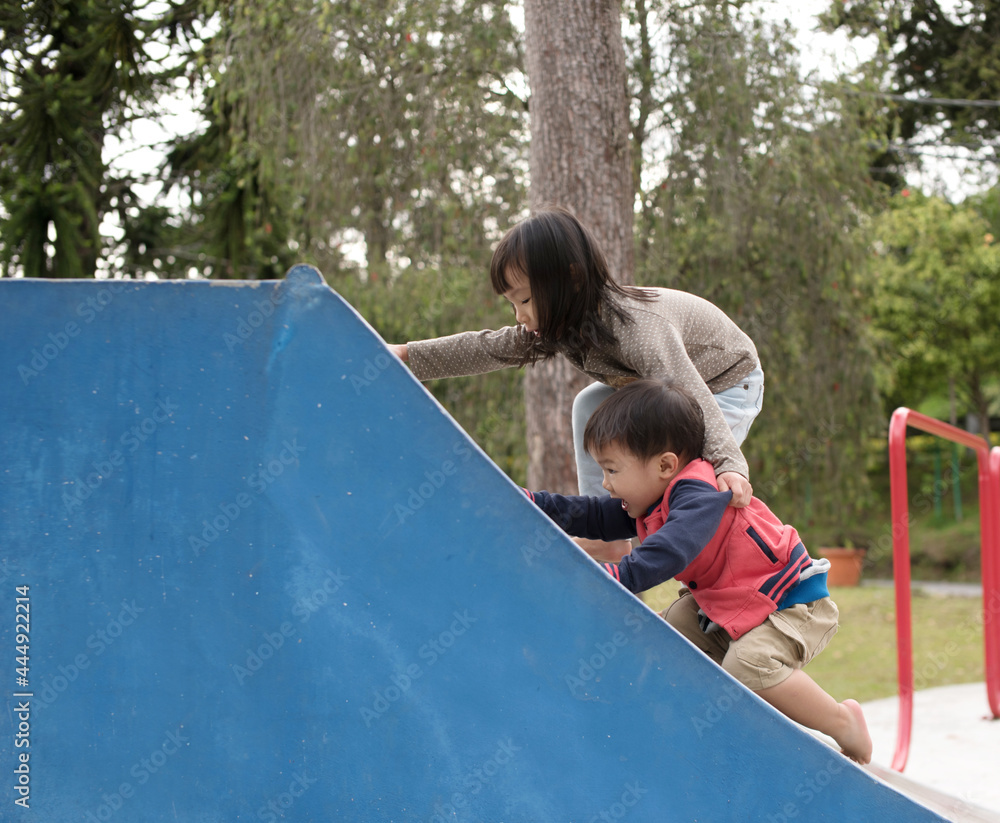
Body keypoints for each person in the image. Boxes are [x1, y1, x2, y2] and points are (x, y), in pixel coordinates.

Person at [523, 378, 872, 765]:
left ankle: (844, 722)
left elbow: (669, 550)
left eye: (612, 470)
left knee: (749, 666)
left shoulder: (700, 496)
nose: (605, 483)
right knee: (663, 637)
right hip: (732, 606)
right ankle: (691, 727)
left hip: (789, 604)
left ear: (665, 465)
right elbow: (590, 514)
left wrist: (618, 576)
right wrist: (534, 504)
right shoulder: (648, 498)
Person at [389, 206, 764, 560]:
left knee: (683, 476)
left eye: (525, 300)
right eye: (512, 304)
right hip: (670, 388)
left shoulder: (639, 330)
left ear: (570, 279)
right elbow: (490, 347)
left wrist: (729, 465)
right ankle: (610, 540)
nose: (519, 316)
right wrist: (407, 355)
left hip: (725, 383)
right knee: (591, 404)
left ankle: (720, 566)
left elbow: (694, 396)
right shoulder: (561, 323)